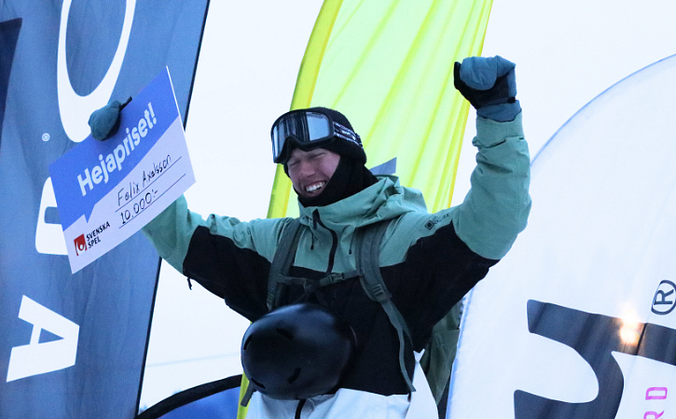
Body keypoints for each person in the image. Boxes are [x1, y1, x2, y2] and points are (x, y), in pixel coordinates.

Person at [90, 55, 531, 419]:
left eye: (316, 156)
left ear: (350, 156)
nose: (304, 172)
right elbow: (184, 238)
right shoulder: (280, 245)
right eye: (292, 164)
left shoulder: (404, 238)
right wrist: (131, 158)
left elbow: (495, 218)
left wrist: (497, 116)